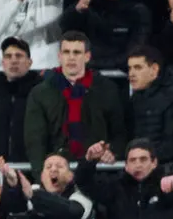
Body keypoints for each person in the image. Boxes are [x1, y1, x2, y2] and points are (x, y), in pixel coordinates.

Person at [23, 31, 127, 174]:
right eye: (66, 52)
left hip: (96, 172)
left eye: (77, 52)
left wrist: (112, 151)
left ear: (87, 56)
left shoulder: (107, 89)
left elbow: (120, 132)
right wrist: (42, 177)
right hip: (55, 172)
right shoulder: (40, 93)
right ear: (59, 56)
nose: (71, 57)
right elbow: (35, 141)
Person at [59, 0, 151, 72]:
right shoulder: (85, 9)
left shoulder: (138, 12)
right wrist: (76, 11)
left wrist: (94, 64)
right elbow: (64, 32)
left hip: (124, 75)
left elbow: (135, 51)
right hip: (87, 74)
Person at [125, 47, 173, 164]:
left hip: (165, 167)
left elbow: (172, 143)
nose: (131, 74)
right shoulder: (135, 100)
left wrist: (146, 159)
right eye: (129, 68)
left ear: (154, 69)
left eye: (138, 68)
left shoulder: (172, 98)